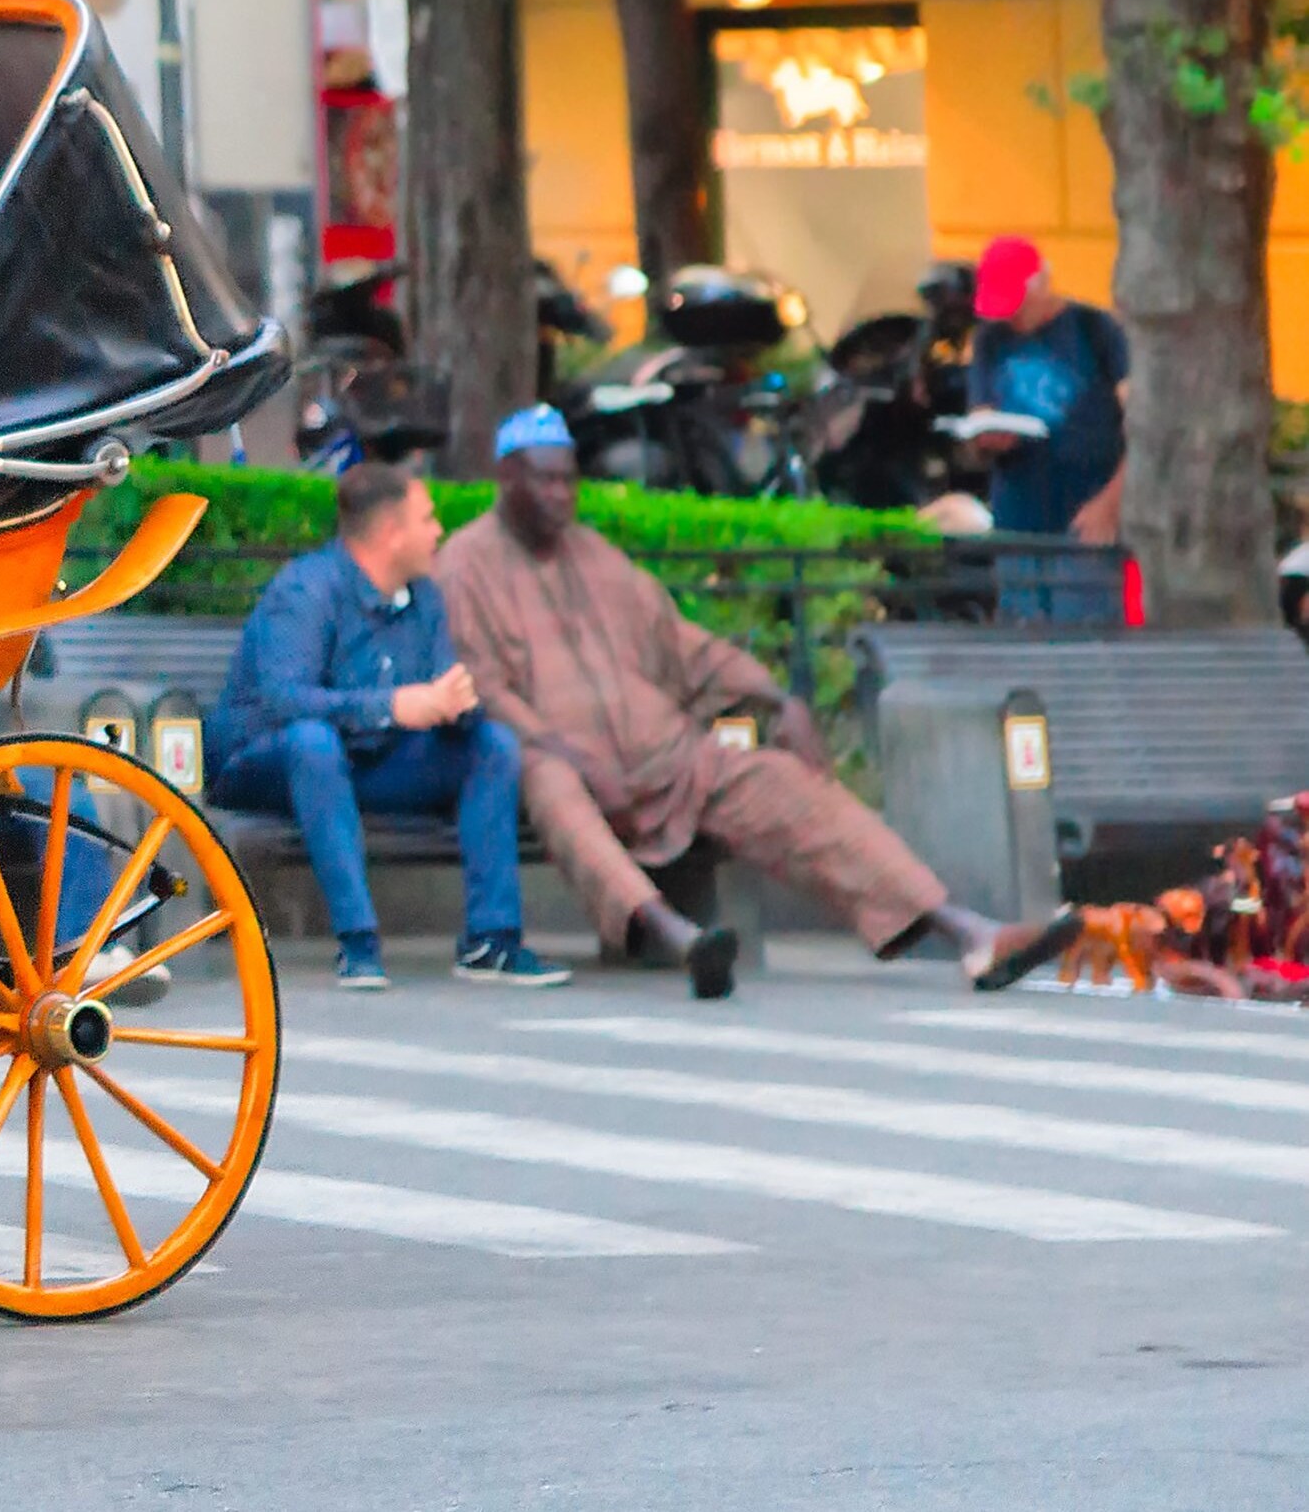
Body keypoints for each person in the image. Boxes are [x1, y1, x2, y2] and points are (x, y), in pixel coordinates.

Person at [440, 406, 1082, 996]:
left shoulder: (596, 555)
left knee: (781, 779)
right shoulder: (465, 565)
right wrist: (572, 754)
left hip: (665, 756)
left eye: (568, 481)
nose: (560, 496)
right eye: (544, 481)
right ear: (505, 477)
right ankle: (675, 936)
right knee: (550, 781)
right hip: (557, 765)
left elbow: (684, 647)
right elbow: (484, 688)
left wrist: (776, 699)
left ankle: (969, 933)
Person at [203, 464, 566, 990]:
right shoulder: (306, 591)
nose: (439, 531)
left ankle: (492, 941)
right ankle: (359, 944)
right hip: (265, 766)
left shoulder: (425, 598)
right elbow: (283, 701)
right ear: (392, 534)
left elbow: (440, 691)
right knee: (313, 743)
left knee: (491, 745)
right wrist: (393, 707)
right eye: (428, 519)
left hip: (368, 764)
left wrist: (456, 706)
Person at [967, 233, 1128, 542]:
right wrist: (986, 440)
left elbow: (1142, 424)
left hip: (1087, 516)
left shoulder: (1095, 329)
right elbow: (980, 413)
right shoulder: (990, 338)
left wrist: (1111, 505)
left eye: (1017, 305)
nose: (1010, 318)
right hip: (1016, 520)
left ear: (1041, 282)